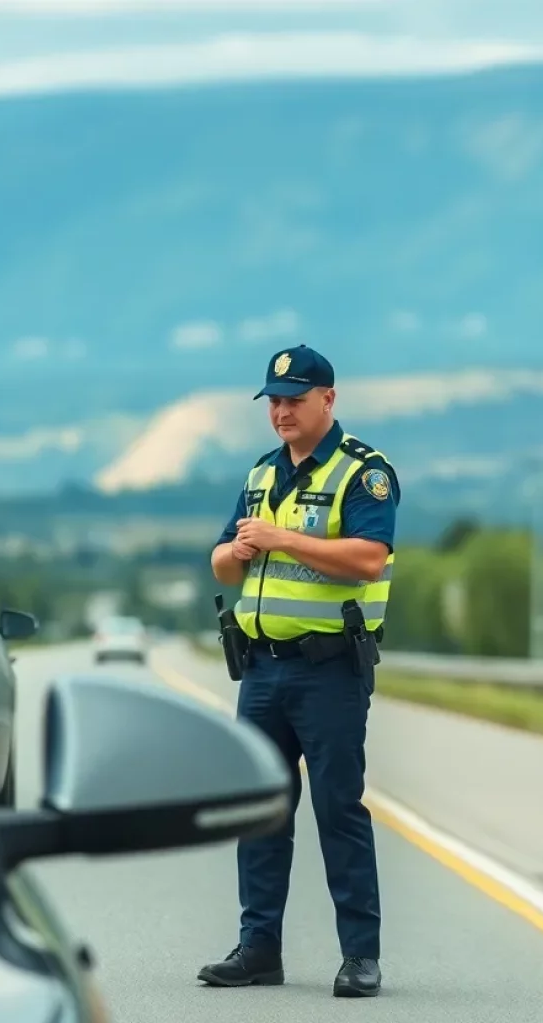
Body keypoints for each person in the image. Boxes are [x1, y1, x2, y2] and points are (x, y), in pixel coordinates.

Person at [197, 343, 399, 999]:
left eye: (294, 399)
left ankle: (360, 957)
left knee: (337, 808)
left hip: (328, 672)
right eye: (274, 402)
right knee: (258, 809)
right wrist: (232, 551)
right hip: (262, 670)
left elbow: (369, 558)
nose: (281, 412)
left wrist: (284, 540)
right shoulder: (260, 475)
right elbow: (226, 565)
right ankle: (259, 949)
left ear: (328, 400)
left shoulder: (362, 473)